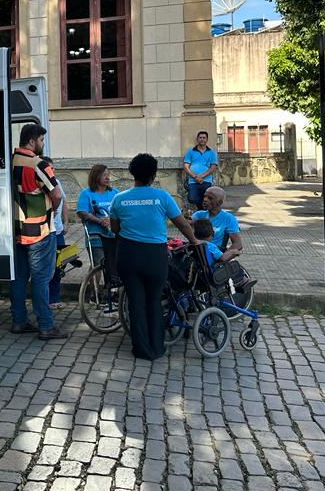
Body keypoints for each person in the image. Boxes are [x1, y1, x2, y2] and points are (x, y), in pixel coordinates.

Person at [110, 153, 198, 360]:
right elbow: (182, 224)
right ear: (153, 175)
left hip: (128, 254)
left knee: (135, 301)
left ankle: (140, 348)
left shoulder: (119, 199)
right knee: (154, 300)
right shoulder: (162, 197)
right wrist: (195, 241)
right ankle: (157, 347)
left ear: (133, 174)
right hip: (155, 256)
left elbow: (115, 229)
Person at [10, 125, 67, 340]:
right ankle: (46, 325)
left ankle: (19, 321)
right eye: (41, 140)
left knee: (18, 278)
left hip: (16, 230)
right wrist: (50, 212)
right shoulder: (39, 164)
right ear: (33, 141)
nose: (43, 144)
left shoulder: (10, 162)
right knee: (41, 279)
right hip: (40, 231)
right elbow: (57, 194)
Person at [76, 164, 119, 279]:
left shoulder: (115, 193)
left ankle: (112, 292)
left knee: (115, 265)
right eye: (104, 175)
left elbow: (122, 211)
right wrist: (99, 221)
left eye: (108, 175)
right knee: (98, 265)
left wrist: (111, 220)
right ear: (95, 176)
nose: (107, 177)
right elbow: (82, 212)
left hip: (114, 235)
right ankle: (94, 295)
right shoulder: (87, 194)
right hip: (96, 236)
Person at [43, 156, 67, 309]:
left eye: (53, 168)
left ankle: (55, 297)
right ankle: (47, 299)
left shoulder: (56, 182)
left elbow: (63, 201)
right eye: (49, 169)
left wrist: (66, 222)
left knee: (59, 266)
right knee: (47, 267)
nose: (52, 171)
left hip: (57, 231)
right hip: (46, 232)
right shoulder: (42, 184)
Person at [192, 186, 243, 256]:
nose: (205, 199)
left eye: (210, 198)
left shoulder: (228, 218)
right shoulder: (198, 215)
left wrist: (224, 257)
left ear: (220, 202)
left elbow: (238, 244)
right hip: (197, 251)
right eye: (205, 196)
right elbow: (186, 224)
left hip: (213, 254)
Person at [183, 131, 218, 211]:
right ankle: (201, 210)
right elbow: (185, 167)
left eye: (204, 138)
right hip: (193, 181)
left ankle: (202, 213)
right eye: (200, 138)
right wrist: (195, 177)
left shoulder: (212, 153)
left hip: (206, 180)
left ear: (207, 140)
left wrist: (201, 176)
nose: (202, 139)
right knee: (192, 199)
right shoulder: (190, 152)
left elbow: (213, 167)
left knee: (206, 200)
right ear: (197, 139)